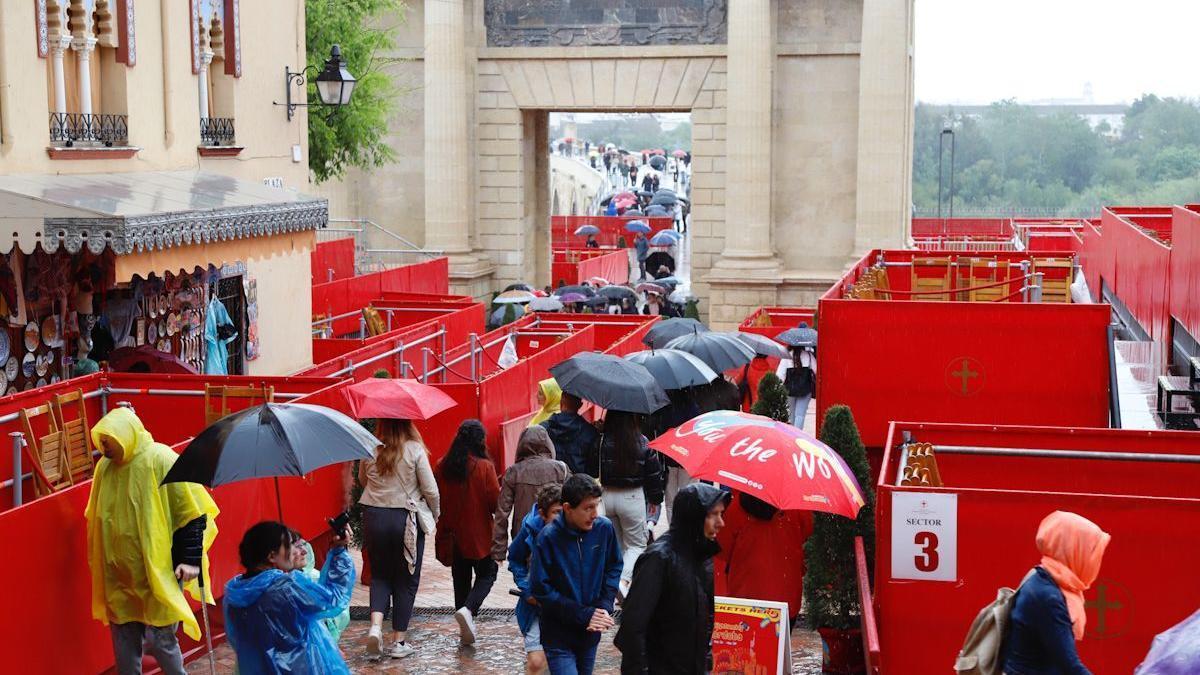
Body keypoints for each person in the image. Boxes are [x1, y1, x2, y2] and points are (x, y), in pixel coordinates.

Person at [85, 407, 219, 675]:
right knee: (124, 638)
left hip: (159, 570)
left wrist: (190, 559)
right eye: (102, 442)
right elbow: (96, 514)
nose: (104, 448)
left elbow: (192, 513)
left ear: (126, 434)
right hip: (119, 576)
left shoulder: (160, 459)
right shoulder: (105, 467)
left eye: (109, 442)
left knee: (162, 640)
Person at [615, 483, 730, 675]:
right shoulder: (659, 558)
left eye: (721, 514)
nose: (721, 523)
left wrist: (705, 660)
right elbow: (633, 626)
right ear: (694, 517)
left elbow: (707, 615)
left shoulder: (702, 556)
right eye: (713, 515)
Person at [223, 521, 355, 674]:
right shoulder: (286, 589)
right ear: (272, 556)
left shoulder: (234, 595)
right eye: (290, 545)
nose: (295, 551)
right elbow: (332, 598)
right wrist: (338, 551)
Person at [359, 418, 440, 659]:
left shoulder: (370, 447)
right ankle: (399, 643)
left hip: (373, 517)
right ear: (407, 423)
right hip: (404, 520)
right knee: (406, 580)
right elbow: (431, 490)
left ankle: (375, 628)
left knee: (380, 576)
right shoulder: (414, 449)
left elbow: (363, 481)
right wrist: (435, 514)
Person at [531, 474, 623, 675]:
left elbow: (614, 567)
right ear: (567, 508)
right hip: (558, 635)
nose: (594, 514)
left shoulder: (604, 529)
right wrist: (584, 614)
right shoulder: (548, 538)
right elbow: (541, 589)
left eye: (596, 506)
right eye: (588, 508)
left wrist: (604, 606)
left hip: (589, 634)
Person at [1000, 511, 1111, 675]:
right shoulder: (1047, 597)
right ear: (1074, 551)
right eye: (1091, 553)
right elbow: (1070, 666)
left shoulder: (1041, 576)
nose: (1095, 561)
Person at [435, 419, 501, 645]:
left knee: (460, 579)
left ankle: (464, 624)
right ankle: (469, 611)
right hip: (480, 535)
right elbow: (495, 503)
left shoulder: (442, 466)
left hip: (453, 534)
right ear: (480, 441)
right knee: (488, 574)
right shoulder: (484, 467)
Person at [587, 411, 664, 595]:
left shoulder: (601, 440)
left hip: (606, 496)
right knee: (636, 545)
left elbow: (590, 469)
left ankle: (612, 586)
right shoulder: (643, 442)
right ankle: (621, 581)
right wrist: (655, 499)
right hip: (632, 498)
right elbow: (653, 475)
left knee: (615, 546)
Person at [714, 493, 811, 622]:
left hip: (744, 597)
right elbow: (807, 535)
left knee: (746, 633)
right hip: (786, 595)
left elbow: (722, 550)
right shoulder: (797, 505)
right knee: (781, 634)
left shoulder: (736, 507)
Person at [510, 485, 566, 675]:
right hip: (535, 608)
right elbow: (515, 559)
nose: (561, 518)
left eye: (563, 512)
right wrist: (527, 590)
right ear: (543, 514)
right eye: (556, 512)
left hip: (566, 607)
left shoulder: (576, 529)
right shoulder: (530, 529)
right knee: (536, 662)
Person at [492, 425, 569, 560]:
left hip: (523, 535)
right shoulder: (561, 469)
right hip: (555, 532)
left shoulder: (514, 472)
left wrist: (499, 550)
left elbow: (502, 513)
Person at [646, 389, 701, 523]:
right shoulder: (693, 407)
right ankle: (685, 528)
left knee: (670, 500)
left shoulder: (665, 407)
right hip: (687, 457)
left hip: (669, 457)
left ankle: (673, 528)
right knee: (687, 497)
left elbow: (659, 428)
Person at [291, 533, 351, 643]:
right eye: (297, 546)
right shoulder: (281, 588)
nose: (304, 551)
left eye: (303, 544)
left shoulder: (306, 579)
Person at [541, 391, 600, 475]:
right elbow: (594, 471)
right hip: (578, 480)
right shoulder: (591, 432)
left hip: (551, 479)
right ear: (580, 405)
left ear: (561, 403)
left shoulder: (543, 429)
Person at [778, 344, 817, 428]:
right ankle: (798, 433)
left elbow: (780, 375)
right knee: (800, 415)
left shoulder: (786, 357)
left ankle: (792, 434)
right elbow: (816, 370)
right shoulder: (808, 355)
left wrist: (778, 390)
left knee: (791, 416)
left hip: (789, 390)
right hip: (805, 390)